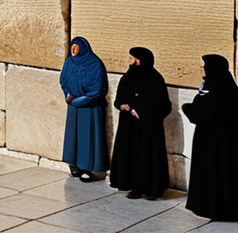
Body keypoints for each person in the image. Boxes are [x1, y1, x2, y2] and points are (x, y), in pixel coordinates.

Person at [182, 55, 238, 222]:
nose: (201, 70)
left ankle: (216, 208)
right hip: (219, 141)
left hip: (215, 142)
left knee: (216, 173)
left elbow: (204, 113)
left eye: (203, 67)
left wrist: (188, 108)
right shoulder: (223, 85)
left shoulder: (217, 89)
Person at [110, 47, 172, 200]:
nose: (131, 62)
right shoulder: (128, 77)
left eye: (134, 59)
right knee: (132, 155)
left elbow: (164, 105)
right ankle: (134, 187)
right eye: (130, 58)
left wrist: (143, 112)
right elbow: (120, 97)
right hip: (129, 125)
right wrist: (121, 105)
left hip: (148, 127)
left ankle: (152, 189)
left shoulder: (155, 79)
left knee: (148, 156)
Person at [60, 37, 109, 182]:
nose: (74, 51)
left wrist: (80, 100)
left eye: (77, 48)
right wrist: (68, 96)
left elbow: (97, 89)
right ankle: (74, 165)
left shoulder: (95, 64)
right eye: (72, 47)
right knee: (73, 136)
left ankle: (88, 168)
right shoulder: (70, 62)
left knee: (87, 138)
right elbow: (63, 81)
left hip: (90, 107)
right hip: (73, 105)